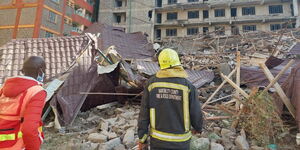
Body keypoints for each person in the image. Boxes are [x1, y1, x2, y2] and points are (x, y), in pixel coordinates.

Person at [137, 48, 203, 150]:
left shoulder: (151, 84)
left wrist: (142, 138)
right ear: (177, 63)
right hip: (181, 143)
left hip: (158, 141)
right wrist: (198, 128)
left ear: (160, 64)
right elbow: (195, 112)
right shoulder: (188, 86)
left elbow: (144, 114)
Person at [0, 56, 47, 150]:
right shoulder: (37, 92)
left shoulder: (3, 89)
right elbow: (29, 130)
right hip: (19, 146)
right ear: (40, 71)